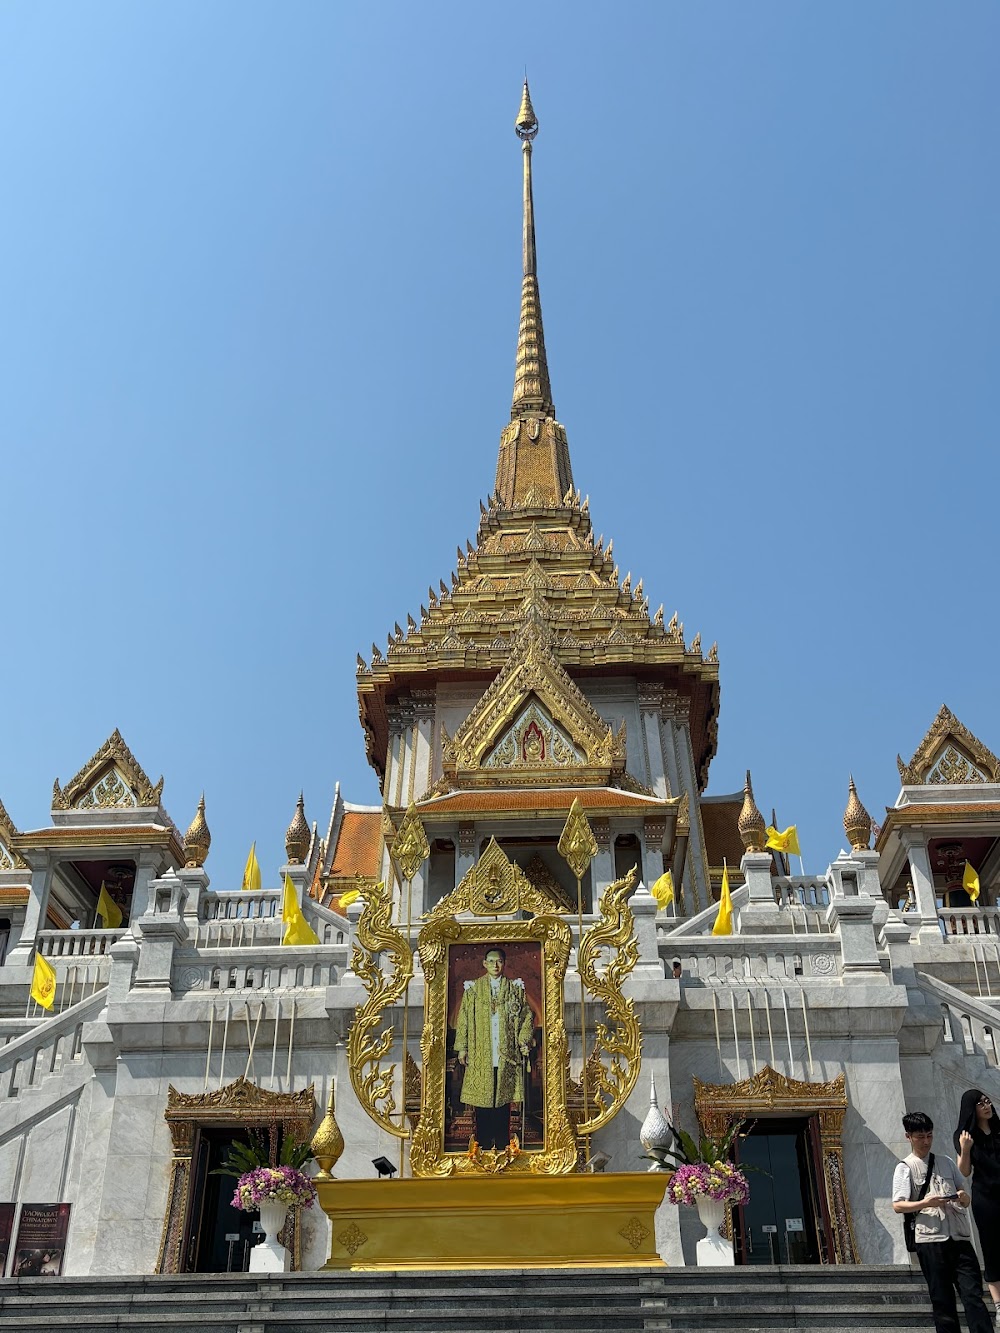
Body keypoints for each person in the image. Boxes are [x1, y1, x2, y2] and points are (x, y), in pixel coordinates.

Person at [892, 1110, 993, 1333]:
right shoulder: (905, 1167)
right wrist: (926, 1202)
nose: (926, 1141)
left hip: (959, 1237)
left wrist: (964, 1198)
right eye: (920, 1137)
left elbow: (962, 1191)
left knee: (973, 1295)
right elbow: (898, 1205)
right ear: (908, 1137)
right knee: (942, 1300)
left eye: (929, 1135)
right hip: (930, 1240)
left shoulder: (946, 1162)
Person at [455, 946, 534, 1149]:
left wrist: (524, 1040)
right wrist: (462, 1047)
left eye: (498, 961)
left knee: (503, 1102)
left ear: (504, 963)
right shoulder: (473, 990)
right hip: (481, 1052)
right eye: (490, 961)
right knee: (483, 1103)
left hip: (505, 1053)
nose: (495, 965)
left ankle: (502, 1145)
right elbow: (463, 1019)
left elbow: (526, 1017)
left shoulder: (515, 989)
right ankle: (481, 1146)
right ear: (484, 964)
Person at [955, 1089, 1000, 1317]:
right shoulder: (965, 1136)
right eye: (981, 1103)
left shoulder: (999, 1130)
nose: (986, 1106)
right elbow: (964, 1171)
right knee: (991, 1247)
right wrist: (965, 1149)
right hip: (985, 1197)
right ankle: (999, 1304)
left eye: (988, 1101)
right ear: (972, 1108)